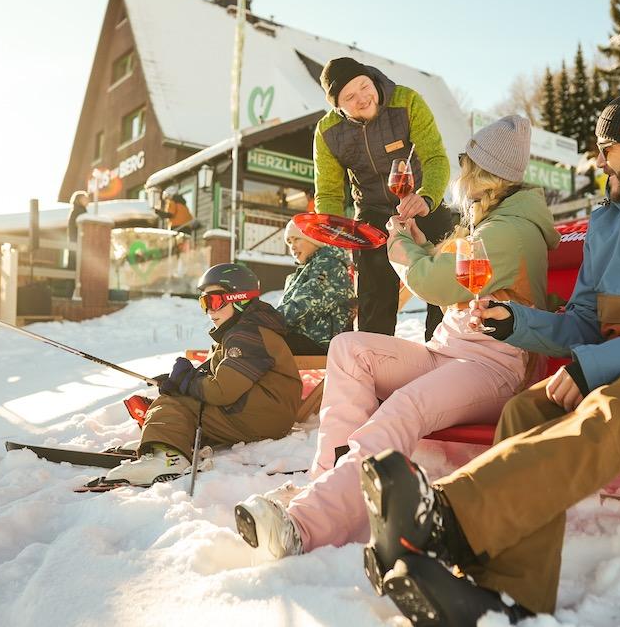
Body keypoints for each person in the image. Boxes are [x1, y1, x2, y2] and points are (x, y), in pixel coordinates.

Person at [357, 79, 620, 626]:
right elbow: (585, 323)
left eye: (609, 149)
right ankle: (510, 597)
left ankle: (446, 518)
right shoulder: (612, 219)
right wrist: (516, 322)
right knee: (527, 409)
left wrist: (602, 364)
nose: (599, 161)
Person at [233, 116, 559, 561]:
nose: (461, 177)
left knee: (406, 405)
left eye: (466, 166)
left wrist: (400, 246)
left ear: (484, 174)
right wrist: (419, 243)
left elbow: (434, 283)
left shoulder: (509, 231)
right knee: (350, 349)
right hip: (449, 351)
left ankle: (304, 526)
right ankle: (327, 485)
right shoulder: (494, 223)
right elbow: (456, 279)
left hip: (492, 366)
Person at [104, 263, 303, 486]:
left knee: (175, 403)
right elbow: (218, 374)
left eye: (214, 301)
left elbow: (222, 391)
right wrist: (178, 380)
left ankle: (168, 457)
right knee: (180, 397)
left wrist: (185, 384)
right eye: (204, 303)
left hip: (263, 416)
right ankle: (168, 439)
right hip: (262, 411)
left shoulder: (247, 335)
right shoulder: (241, 331)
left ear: (240, 299)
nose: (209, 311)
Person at [313, 57, 456, 340]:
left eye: (364, 86)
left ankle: (443, 348)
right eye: (349, 97)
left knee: (443, 277)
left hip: (421, 202)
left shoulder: (407, 101)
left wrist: (427, 198)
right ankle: (374, 355)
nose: (362, 98)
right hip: (373, 210)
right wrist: (334, 233)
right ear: (338, 106)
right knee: (374, 294)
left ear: (372, 79)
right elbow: (328, 193)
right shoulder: (328, 132)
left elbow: (435, 158)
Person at [277, 218, 355, 355]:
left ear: (312, 238)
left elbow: (307, 302)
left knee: (259, 341)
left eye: (297, 239)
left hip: (321, 341)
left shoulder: (329, 264)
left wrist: (269, 319)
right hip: (305, 337)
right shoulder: (308, 268)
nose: (292, 247)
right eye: (289, 242)